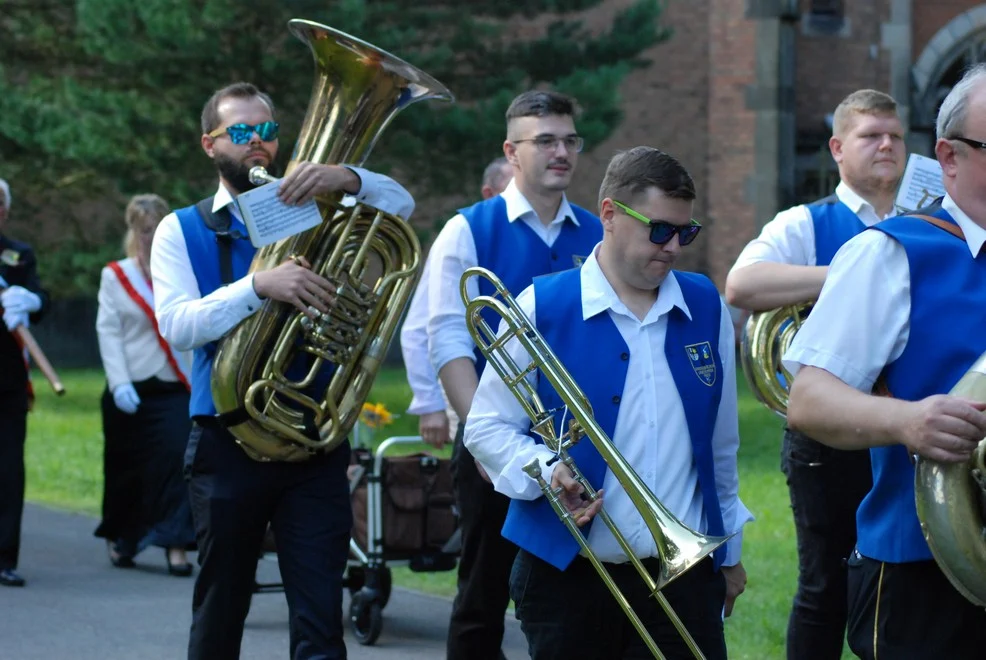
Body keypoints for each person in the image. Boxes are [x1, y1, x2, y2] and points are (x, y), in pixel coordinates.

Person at [150, 81, 415, 660]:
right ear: (210, 144)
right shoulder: (180, 227)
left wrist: (346, 177)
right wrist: (258, 287)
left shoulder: (310, 209)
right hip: (225, 440)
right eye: (242, 132)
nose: (259, 142)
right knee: (220, 609)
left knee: (320, 618)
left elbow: (401, 206)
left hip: (313, 441)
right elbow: (177, 325)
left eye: (267, 130)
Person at [465, 147, 752, 659]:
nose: (673, 247)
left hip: (685, 578)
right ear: (610, 215)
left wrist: (729, 553)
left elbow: (720, 445)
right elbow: (485, 429)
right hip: (567, 579)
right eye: (659, 230)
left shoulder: (704, 304)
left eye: (685, 232)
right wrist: (546, 469)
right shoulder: (541, 305)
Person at [784, 64, 986, 659]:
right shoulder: (890, 252)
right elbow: (808, 399)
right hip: (927, 572)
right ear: (949, 157)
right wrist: (907, 421)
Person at [725, 89, 906, 660]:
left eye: (895, 136)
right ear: (837, 148)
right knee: (824, 587)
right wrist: (848, 274)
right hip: (824, 436)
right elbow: (740, 285)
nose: (887, 145)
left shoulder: (925, 221)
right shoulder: (805, 222)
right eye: (871, 135)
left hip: (905, 428)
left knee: (904, 583)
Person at [427, 90, 603, 659]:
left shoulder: (597, 234)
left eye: (570, 140)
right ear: (511, 150)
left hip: (581, 445)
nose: (562, 152)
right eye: (545, 141)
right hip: (496, 440)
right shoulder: (466, 229)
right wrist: (484, 440)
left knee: (582, 598)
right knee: (483, 595)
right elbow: (447, 338)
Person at [94, 193, 196, 576]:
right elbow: (109, 331)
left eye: (156, 228)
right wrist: (119, 383)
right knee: (126, 469)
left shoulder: (178, 271)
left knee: (177, 460)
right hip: (131, 388)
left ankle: (176, 545)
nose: (149, 237)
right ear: (133, 231)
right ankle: (123, 538)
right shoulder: (116, 275)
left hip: (172, 386)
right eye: (144, 230)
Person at [399, 156, 512, 449]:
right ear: (488, 194)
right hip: (471, 395)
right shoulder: (465, 236)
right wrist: (429, 404)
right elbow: (419, 327)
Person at [0, 178, 49, 589]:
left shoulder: (18, 254)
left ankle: (4, 558)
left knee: (8, 470)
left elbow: (41, 299)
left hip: (7, 381)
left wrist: (30, 301)